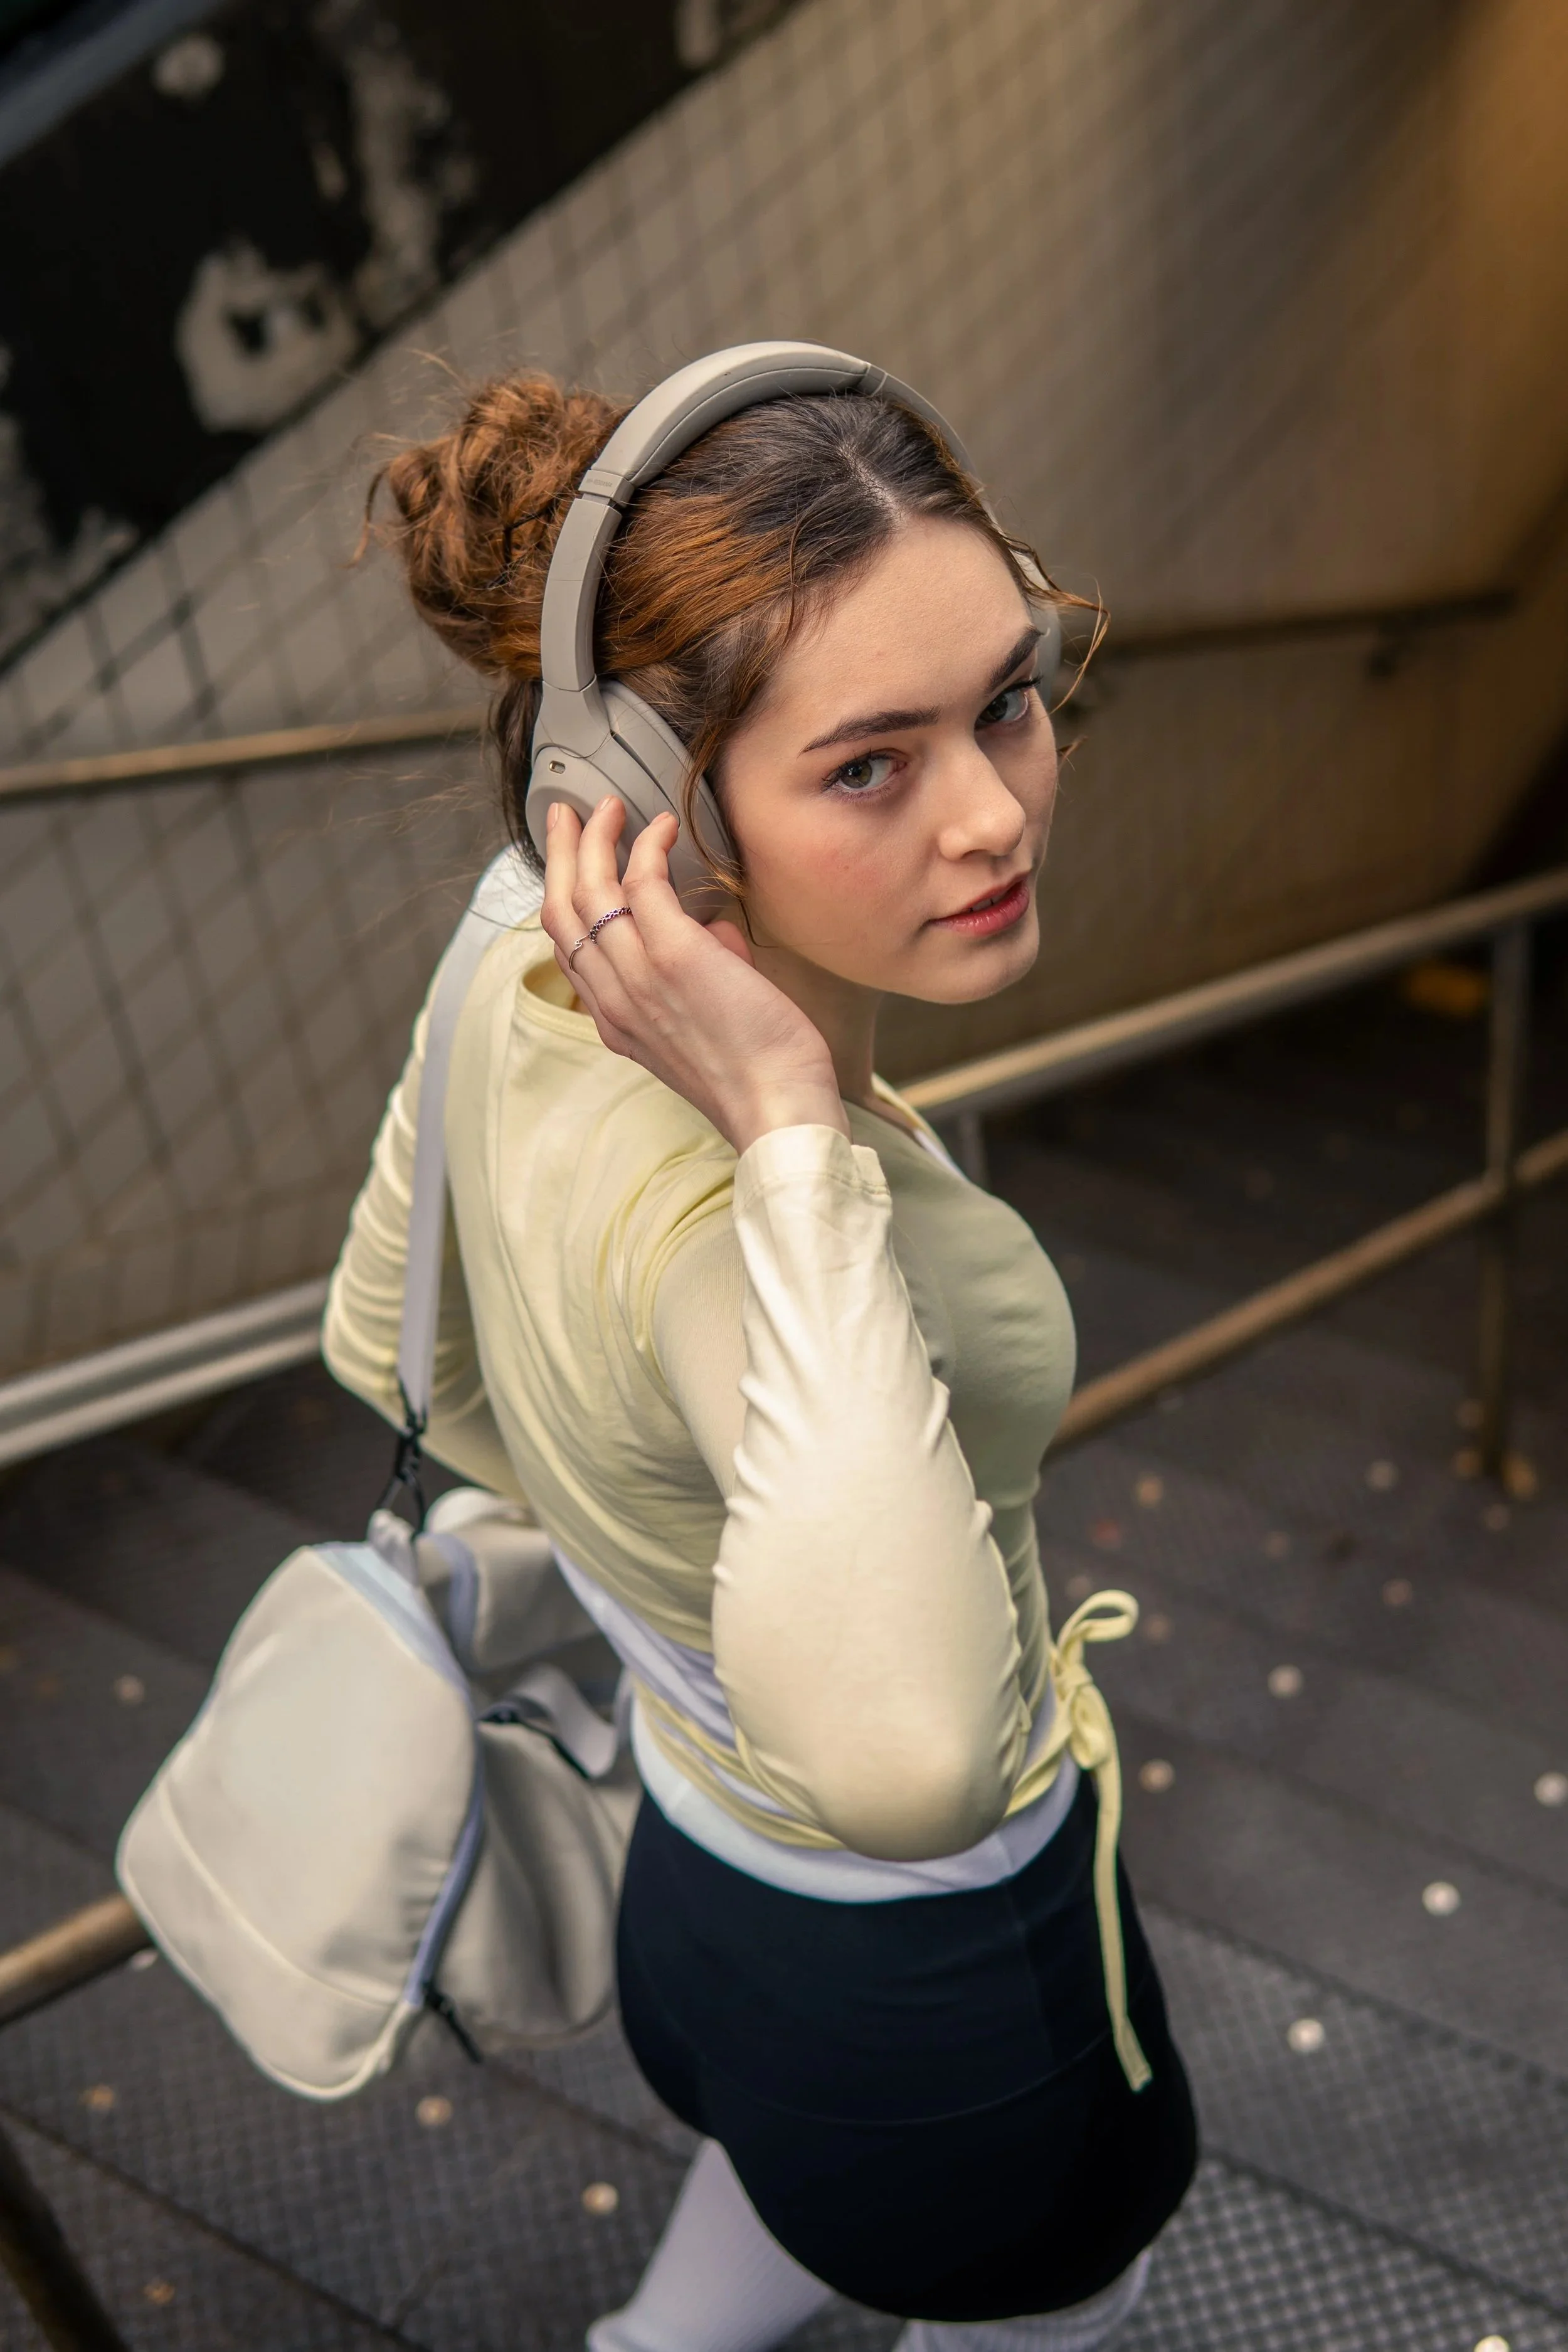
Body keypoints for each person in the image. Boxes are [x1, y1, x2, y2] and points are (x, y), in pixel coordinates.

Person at [324, 361, 1197, 2352]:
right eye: (868, 764)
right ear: (655, 809)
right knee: (1064, 2295)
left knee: (763, 2218)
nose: (994, 811)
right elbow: (909, 1770)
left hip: (697, 1889)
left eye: (1006, 696)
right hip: (943, 1996)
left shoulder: (511, 957)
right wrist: (793, 1137)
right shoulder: (779, 1228)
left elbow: (389, 1339)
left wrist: (658, 1552)